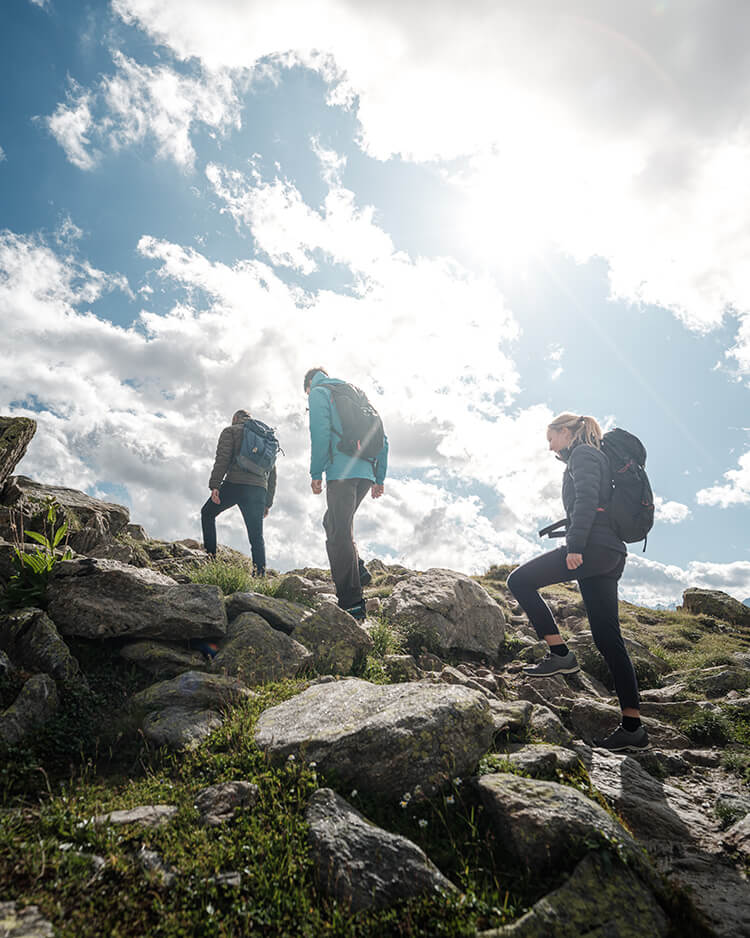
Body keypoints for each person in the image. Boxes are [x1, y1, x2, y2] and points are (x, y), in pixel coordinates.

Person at [506, 412, 648, 752]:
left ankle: (560, 653)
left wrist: (575, 546)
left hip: (593, 548)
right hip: (610, 554)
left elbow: (585, 500)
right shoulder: (594, 456)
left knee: (519, 581)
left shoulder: (584, 455)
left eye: (551, 437)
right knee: (608, 638)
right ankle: (633, 728)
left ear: (565, 431)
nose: (549, 446)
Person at [304, 367, 389, 620]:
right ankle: (359, 570)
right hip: (365, 472)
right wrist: (379, 477)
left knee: (339, 534)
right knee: (333, 522)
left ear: (308, 384)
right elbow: (382, 436)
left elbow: (319, 434)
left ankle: (352, 602)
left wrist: (316, 472)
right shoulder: (356, 392)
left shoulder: (319, 392)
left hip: (341, 472)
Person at [201, 409, 276, 575]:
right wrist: (268, 502)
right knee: (256, 536)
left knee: (207, 513)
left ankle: (211, 560)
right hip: (258, 489)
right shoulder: (265, 438)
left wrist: (215, 485)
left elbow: (222, 459)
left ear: (235, 418)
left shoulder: (230, 431)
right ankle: (260, 576)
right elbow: (272, 473)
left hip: (235, 484)